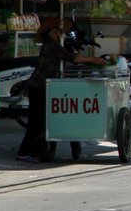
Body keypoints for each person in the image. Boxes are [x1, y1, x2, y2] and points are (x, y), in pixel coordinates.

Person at [16, 19, 106, 163]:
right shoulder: (52, 45)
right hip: (39, 86)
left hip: (40, 86)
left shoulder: (51, 45)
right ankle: (26, 153)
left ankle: (35, 152)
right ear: (52, 32)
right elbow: (73, 58)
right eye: (58, 31)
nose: (59, 34)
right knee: (37, 123)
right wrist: (93, 60)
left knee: (39, 122)